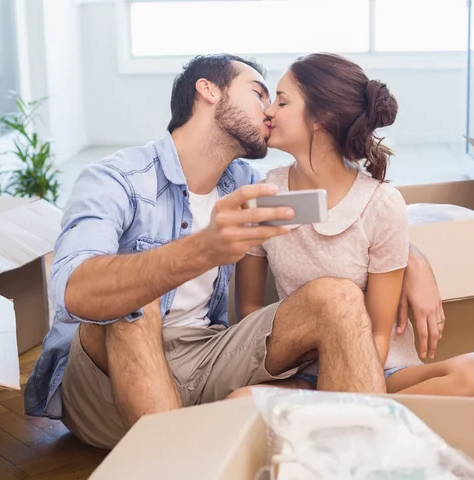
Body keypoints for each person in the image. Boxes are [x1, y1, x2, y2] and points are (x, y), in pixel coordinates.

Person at [23, 54, 447, 450]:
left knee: (336, 296)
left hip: (208, 356)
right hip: (106, 382)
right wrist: (200, 250)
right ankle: (182, 463)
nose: (268, 111)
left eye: (277, 101)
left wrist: (412, 258)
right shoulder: (116, 179)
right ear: (209, 91)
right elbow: (72, 291)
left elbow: (352, 214)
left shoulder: (250, 183)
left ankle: (355, 463)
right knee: (135, 303)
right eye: (260, 93)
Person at [229, 53, 474, 399]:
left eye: (282, 101)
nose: (268, 110)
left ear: (322, 117)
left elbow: (378, 334)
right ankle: (372, 419)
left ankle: (348, 414)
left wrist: (350, 384)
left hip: (379, 368)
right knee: (239, 402)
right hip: (303, 373)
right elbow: (250, 313)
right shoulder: (266, 193)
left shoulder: (380, 204)